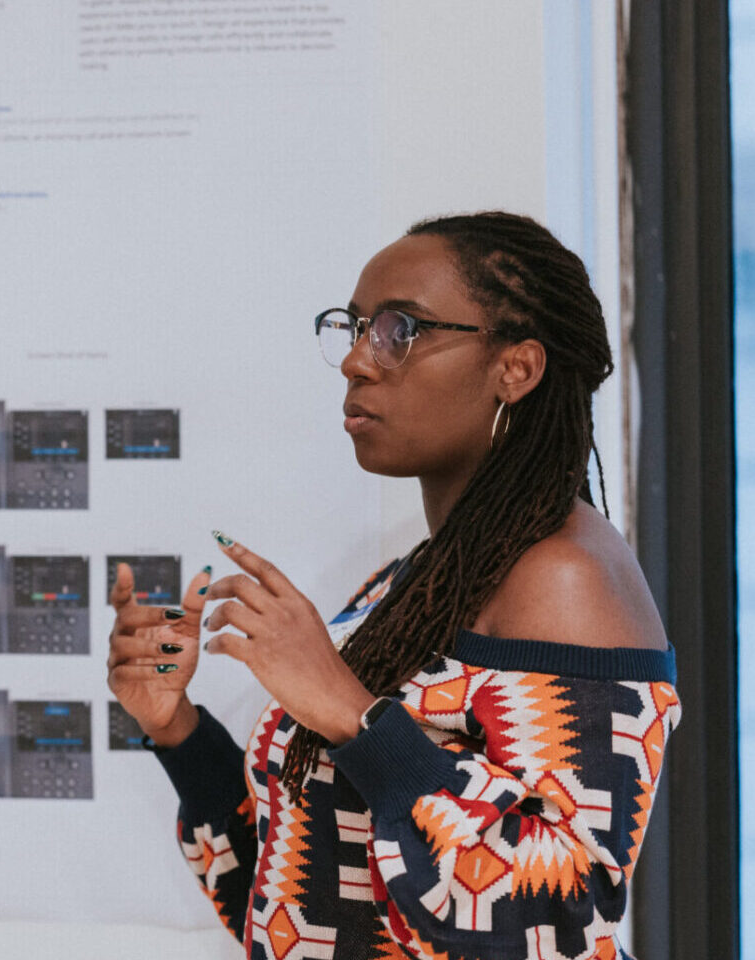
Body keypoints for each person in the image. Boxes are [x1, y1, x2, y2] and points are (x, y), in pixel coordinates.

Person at [107, 212, 679, 960]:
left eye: (398, 330)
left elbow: (559, 916)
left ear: (517, 367)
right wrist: (173, 725)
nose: (356, 361)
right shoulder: (417, 580)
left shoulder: (563, 578)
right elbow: (302, 899)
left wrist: (349, 710)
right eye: (354, 328)